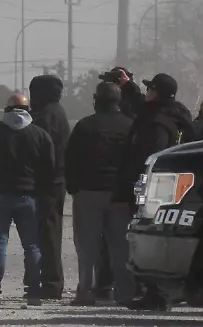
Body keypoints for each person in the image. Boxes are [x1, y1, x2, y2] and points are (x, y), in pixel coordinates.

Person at [115, 72, 195, 311]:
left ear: (157, 94)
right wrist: (127, 86)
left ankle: (155, 293)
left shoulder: (155, 122)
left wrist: (134, 180)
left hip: (152, 187)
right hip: (175, 186)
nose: (146, 92)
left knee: (148, 238)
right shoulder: (179, 114)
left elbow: (148, 154)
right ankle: (161, 291)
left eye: (150, 89)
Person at [0, 92, 54, 307]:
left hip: (0, 195)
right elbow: (50, 167)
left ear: (6, 110)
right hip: (29, 196)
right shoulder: (40, 134)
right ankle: (34, 292)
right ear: (28, 110)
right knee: (32, 245)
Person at [65, 82, 134, 306]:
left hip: (88, 193)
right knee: (121, 248)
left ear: (96, 100)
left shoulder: (85, 126)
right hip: (121, 195)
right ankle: (124, 294)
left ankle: (85, 292)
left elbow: (70, 158)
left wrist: (73, 187)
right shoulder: (130, 126)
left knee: (87, 247)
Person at [28, 74, 70, 301]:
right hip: (56, 181)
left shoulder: (45, 116)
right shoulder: (57, 112)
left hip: (47, 184)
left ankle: (52, 284)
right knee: (49, 232)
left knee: (48, 233)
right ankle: (49, 281)